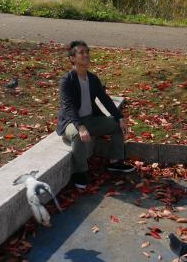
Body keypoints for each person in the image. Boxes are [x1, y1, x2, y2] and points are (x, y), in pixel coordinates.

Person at [56, 40, 135, 189]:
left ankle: (115, 162)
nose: (86, 55)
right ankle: (80, 172)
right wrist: (80, 127)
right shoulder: (67, 81)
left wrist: (119, 117)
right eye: (81, 53)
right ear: (72, 58)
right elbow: (68, 107)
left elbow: (105, 99)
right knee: (78, 136)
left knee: (116, 126)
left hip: (90, 120)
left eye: (87, 52)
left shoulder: (92, 79)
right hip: (71, 122)